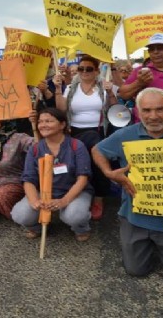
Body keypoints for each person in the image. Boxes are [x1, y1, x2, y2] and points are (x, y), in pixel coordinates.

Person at [91, 88, 163, 279]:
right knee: (136, 270)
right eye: (146, 110)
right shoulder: (124, 135)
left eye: (159, 109)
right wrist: (108, 172)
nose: (153, 116)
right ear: (138, 111)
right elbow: (97, 150)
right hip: (136, 215)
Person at [11, 108, 94, 242]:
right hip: (43, 193)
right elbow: (28, 179)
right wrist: (34, 202)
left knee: (75, 215)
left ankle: (81, 228)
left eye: (49, 121)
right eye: (40, 122)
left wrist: (64, 201)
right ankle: (37, 226)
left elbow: (82, 178)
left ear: (62, 125)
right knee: (20, 215)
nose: (43, 125)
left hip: (73, 192)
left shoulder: (76, 145)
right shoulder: (35, 148)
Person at [55, 54, 116, 220]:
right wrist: (58, 89)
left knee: (98, 164)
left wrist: (110, 92)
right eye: (81, 68)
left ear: (96, 71)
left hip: (98, 131)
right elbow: (61, 109)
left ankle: (98, 198)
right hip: (74, 131)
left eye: (89, 69)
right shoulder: (71, 88)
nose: (84, 71)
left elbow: (115, 109)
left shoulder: (103, 87)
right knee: (78, 164)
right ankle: (80, 194)